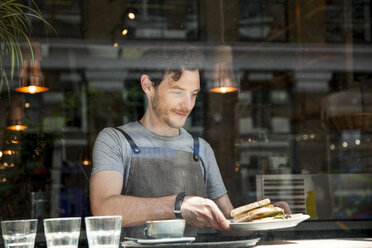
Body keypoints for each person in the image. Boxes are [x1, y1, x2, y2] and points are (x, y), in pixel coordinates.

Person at [89, 45, 291, 238]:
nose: (188, 105)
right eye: (178, 92)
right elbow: (104, 209)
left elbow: (228, 222)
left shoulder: (201, 149)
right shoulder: (115, 140)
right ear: (148, 85)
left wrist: (266, 215)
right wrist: (179, 206)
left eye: (193, 94)